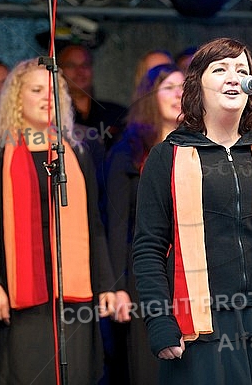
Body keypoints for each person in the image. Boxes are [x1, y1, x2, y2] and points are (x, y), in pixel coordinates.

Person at [132, 37, 252, 385]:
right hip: (201, 322)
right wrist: (160, 321)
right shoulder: (168, 156)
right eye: (220, 69)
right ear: (197, 84)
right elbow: (149, 248)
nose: (233, 77)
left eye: (242, 70)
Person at [0, 58, 116, 385]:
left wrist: (106, 284)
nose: (47, 97)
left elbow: (94, 223)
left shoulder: (74, 152)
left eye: (54, 90)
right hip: (20, 293)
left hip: (72, 293)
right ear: (16, 98)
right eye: (36, 90)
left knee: (77, 373)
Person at [103, 63, 184, 384]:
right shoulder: (129, 151)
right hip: (143, 272)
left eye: (182, 88)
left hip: (188, 271)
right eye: (169, 88)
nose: (178, 95)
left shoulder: (196, 146)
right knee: (151, 366)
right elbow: (116, 222)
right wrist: (117, 287)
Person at [58, 44, 127, 152]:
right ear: (59, 71)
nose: (79, 71)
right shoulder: (55, 117)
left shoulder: (118, 114)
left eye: (85, 65)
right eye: (71, 65)